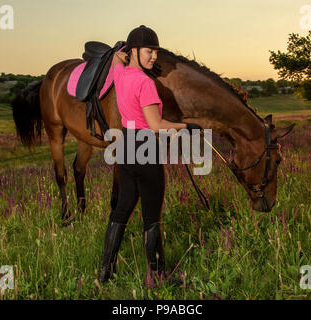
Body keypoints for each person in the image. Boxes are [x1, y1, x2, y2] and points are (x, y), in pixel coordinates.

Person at [98, 25, 202, 284]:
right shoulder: (145, 83)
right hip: (146, 149)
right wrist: (186, 127)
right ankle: (156, 277)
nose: (154, 56)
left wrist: (125, 54)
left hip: (125, 146)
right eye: (148, 51)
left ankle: (104, 274)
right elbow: (156, 126)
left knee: (122, 209)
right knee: (151, 216)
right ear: (134, 50)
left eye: (155, 51)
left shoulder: (120, 75)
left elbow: (114, 59)